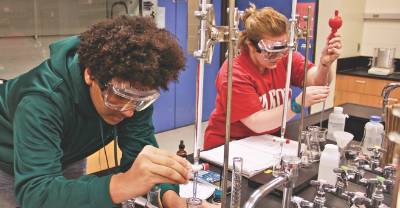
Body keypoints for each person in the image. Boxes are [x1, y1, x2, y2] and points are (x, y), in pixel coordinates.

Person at [0, 15, 205, 208]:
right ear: (90, 74)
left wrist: (169, 197)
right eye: (120, 97)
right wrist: (124, 183)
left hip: (68, 152)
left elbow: (140, 154)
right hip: (10, 161)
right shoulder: (41, 101)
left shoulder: (134, 89)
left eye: (140, 100)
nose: (128, 112)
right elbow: (35, 193)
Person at [204, 4, 342, 150]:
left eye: (282, 50)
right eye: (271, 52)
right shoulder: (234, 73)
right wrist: (296, 104)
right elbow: (257, 123)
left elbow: (317, 82)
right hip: (228, 145)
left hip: (265, 141)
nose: (278, 57)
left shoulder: (285, 58)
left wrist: (325, 64)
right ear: (251, 45)